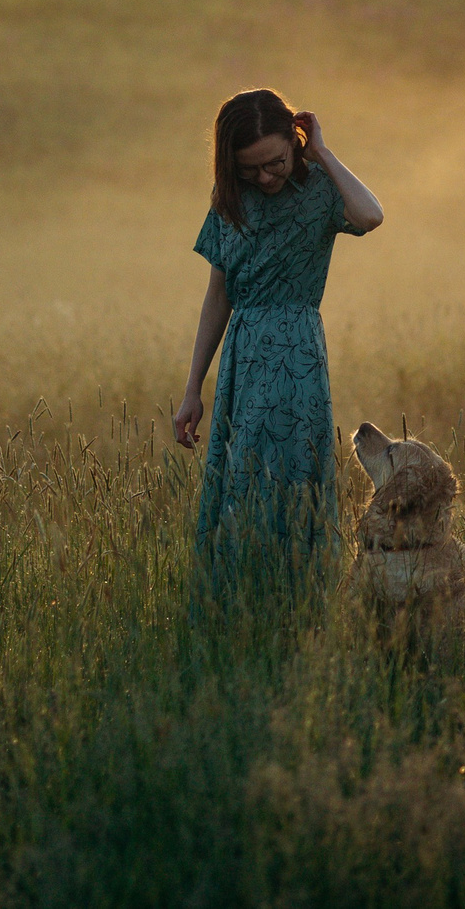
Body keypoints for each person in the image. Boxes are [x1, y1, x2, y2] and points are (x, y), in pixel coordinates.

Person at [171, 87, 384, 573]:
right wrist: (192, 390)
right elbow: (218, 296)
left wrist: (322, 153)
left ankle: (294, 590)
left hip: (296, 353)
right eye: (250, 169)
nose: (265, 177)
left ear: (295, 140)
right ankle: (245, 593)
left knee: (288, 475)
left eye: (275, 163)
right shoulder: (230, 200)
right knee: (240, 478)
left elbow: (371, 215)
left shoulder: (321, 189)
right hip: (241, 356)